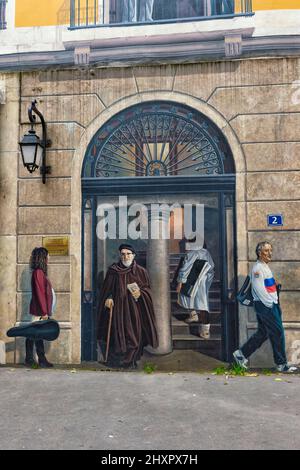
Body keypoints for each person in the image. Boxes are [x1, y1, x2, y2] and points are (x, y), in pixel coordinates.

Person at [233, 241, 298, 373]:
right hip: (266, 306)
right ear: (259, 253)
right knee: (278, 332)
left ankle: (241, 354)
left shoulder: (263, 267)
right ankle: (281, 364)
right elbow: (259, 289)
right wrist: (270, 304)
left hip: (268, 304)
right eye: (267, 251)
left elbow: (266, 286)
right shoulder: (257, 268)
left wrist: (274, 289)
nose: (270, 253)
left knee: (263, 333)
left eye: (270, 250)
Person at [97, 244, 158, 369]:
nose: (125, 256)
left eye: (128, 254)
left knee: (134, 336)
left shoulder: (141, 271)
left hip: (134, 309)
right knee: (119, 335)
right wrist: (108, 297)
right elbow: (107, 290)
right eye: (123, 254)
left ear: (133, 255)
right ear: (120, 255)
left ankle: (130, 360)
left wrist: (141, 293)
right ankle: (123, 361)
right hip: (118, 310)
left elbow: (147, 290)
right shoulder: (113, 271)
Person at [176, 238, 214, 339]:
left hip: (192, 281)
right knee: (202, 304)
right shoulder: (206, 253)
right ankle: (205, 331)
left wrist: (180, 282)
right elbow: (211, 269)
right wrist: (207, 281)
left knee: (184, 296)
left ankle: (193, 315)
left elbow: (185, 269)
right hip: (203, 282)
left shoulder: (191, 253)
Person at [25, 247, 56, 368]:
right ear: (43, 257)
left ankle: (40, 359)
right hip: (38, 310)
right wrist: (44, 312)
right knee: (31, 334)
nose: (49, 258)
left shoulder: (40, 272)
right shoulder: (38, 272)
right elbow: (39, 293)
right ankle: (31, 359)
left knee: (36, 334)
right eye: (47, 255)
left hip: (40, 310)